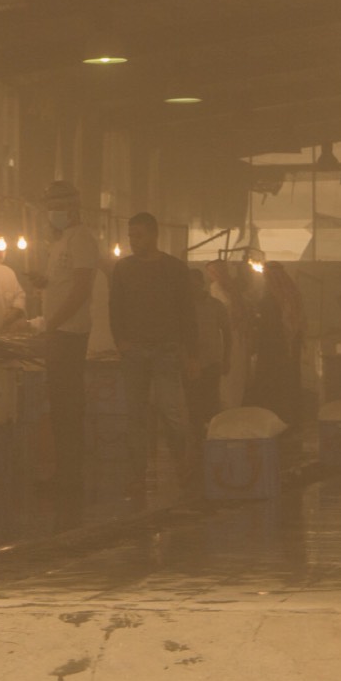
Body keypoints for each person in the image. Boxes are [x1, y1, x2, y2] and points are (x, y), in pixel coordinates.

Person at [109, 212, 197, 497]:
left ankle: (182, 462)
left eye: (139, 235)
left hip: (166, 350)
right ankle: (138, 474)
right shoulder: (123, 269)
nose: (133, 241)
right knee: (135, 414)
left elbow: (187, 312)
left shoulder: (174, 269)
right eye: (131, 236)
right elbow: (115, 308)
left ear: (154, 235)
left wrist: (191, 353)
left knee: (171, 412)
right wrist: (121, 341)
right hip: (134, 350)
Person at [25, 181, 98, 497]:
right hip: (58, 333)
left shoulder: (82, 240)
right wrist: (44, 282)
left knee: (68, 405)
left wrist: (51, 323)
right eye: (49, 208)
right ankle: (63, 470)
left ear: (72, 207)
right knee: (59, 405)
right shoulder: (60, 242)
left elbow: (81, 290)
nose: (52, 214)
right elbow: (63, 283)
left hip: (69, 334)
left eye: (57, 207)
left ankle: (70, 474)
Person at [246, 261, 304, 425]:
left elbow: (272, 324)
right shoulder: (290, 294)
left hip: (275, 348)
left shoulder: (273, 297)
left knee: (275, 384)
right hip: (284, 347)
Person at [188, 269, 231, 447]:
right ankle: (197, 437)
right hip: (191, 362)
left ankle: (212, 436)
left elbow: (227, 332)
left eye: (194, 283)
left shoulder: (215, 305)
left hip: (212, 361)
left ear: (201, 283)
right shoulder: (183, 307)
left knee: (211, 400)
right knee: (193, 401)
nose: (191, 287)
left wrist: (227, 358)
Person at [206, 259, 250, 409]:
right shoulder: (230, 287)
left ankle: (228, 403)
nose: (210, 275)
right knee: (234, 368)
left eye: (212, 272)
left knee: (230, 368)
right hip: (235, 333)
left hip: (227, 333)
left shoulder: (217, 287)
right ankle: (232, 402)